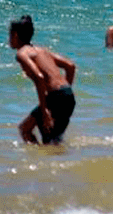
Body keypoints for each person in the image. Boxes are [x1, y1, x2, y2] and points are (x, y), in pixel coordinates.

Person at [9, 15, 77, 145]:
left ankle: (46, 162)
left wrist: (45, 111)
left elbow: (39, 77)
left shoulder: (22, 53)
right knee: (48, 139)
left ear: (15, 35)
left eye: (10, 35)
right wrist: (66, 91)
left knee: (29, 131)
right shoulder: (41, 50)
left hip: (56, 97)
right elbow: (70, 66)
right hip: (67, 95)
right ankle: (50, 161)